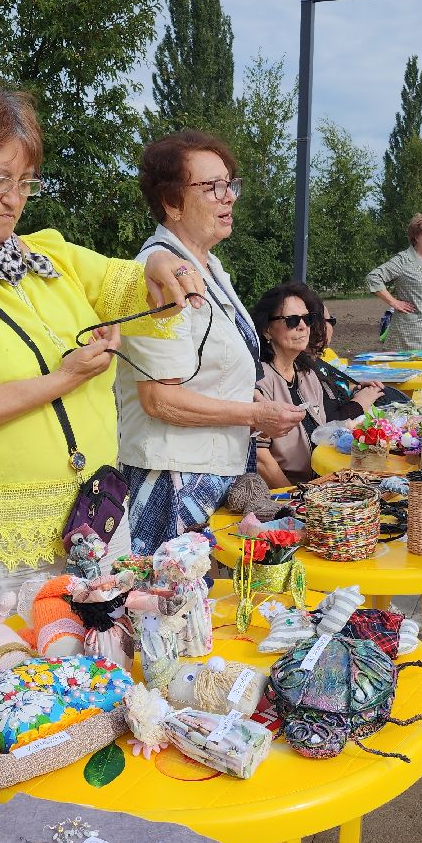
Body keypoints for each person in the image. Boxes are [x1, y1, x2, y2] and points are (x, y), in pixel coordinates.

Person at [0, 76, 195, 624]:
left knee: (98, 687)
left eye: (26, 181)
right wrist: (63, 379)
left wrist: (167, 265)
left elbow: (137, 282)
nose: (13, 199)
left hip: (94, 523)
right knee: (7, 690)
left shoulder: (49, 255)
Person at [117, 130, 308, 555]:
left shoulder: (206, 265)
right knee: (167, 612)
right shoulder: (158, 276)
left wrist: (251, 405)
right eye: (212, 187)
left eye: (230, 184)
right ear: (171, 202)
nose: (229, 197)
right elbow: (158, 400)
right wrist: (254, 413)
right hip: (170, 480)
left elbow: (213, 371)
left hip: (206, 474)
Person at [253, 282, 383, 487]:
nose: (303, 326)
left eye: (307, 319)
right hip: (283, 491)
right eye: (292, 320)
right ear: (267, 330)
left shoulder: (306, 374)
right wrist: (294, 497)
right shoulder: (258, 380)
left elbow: (324, 432)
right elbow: (261, 459)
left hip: (319, 482)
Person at [365, 214, 422, 349]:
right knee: (411, 370)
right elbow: (373, 278)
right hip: (410, 336)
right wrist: (394, 302)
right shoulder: (403, 260)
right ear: (417, 236)